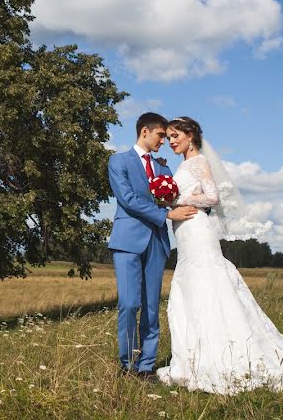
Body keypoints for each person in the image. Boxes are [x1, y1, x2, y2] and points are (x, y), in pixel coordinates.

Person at [156, 116, 283, 393]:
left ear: (191, 135)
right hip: (185, 234)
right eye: (169, 136)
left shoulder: (199, 162)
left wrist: (176, 200)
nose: (171, 141)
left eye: (175, 135)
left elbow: (212, 198)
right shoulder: (184, 164)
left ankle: (223, 357)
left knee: (207, 287)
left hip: (198, 230)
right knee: (191, 289)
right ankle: (193, 357)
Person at [107, 112, 198, 378]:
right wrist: (165, 214)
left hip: (157, 243)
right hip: (127, 241)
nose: (164, 141)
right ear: (145, 131)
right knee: (128, 303)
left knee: (150, 307)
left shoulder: (164, 168)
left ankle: (146, 366)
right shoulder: (119, 161)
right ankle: (127, 364)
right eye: (161, 135)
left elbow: (174, 199)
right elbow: (127, 199)